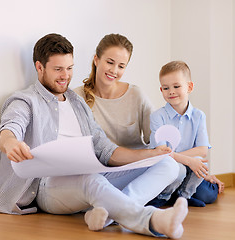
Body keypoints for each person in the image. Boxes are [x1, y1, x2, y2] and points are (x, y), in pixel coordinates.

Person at [0, 33, 188, 239]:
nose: (65, 75)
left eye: (69, 68)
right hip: (48, 187)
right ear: (40, 68)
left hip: (92, 175)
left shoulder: (78, 103)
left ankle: (109, 215)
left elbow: (105, 150)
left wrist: (152, 154)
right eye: (58, 69)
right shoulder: (25, 100)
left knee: (168, 165)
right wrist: (10, 142)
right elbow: (10, 128)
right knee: (89, 179)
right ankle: (152, 220)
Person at [74, 34, 180, 209]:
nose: (114, 70)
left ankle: (114, 211)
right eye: (110, 62)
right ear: (96, 59)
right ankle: (122, 208)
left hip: (135, 168)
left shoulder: (135, 94)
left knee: (170, 166)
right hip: (100, 174)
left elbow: (158, 138)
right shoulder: (77, 97)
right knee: (90, 183)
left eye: (121, 66)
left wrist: (190, 161)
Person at [148, 61, 224, 208]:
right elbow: (161, 153)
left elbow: (202, 150)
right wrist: (187, 160)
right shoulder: (158, 117)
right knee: (179, 168)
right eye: (166, 88)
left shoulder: (199, 116)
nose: (171, 91)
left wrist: (188, 161)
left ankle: (183, 196)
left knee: (209, 195)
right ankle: (166, 196)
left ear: (189, 87)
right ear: (161, 90)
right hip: (167, 167)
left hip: (189, 168)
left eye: (176, 86)